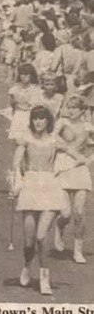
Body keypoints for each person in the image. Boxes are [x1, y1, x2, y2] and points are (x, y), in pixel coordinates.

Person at [11, 106, 86, 295]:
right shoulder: (25, 139)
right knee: (29, 242)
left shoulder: (55, 140)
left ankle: (45, 278)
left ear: (48, 122)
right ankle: (27, 266)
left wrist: (80, 160)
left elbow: (77, 155)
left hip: (50, 189)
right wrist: (16, 183)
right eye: (35, 119)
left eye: (42, 119)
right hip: (30, 187)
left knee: (41, 237)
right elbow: (16, 163)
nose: (38, 122)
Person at [53, 95, 94, 263]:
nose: (70, 111)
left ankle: (78, 250)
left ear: (83, 110)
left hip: (80, 169)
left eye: (74, 108)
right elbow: (53, 139)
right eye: (68, 107)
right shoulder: (61, 123)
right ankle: (58, 226)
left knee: (79, 213)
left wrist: (89, 159)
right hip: (62, 167)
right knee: (65, 213)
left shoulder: (88, 127)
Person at [8, 64, 42, 143]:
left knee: (29, 140)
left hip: (29, 115)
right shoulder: (15, 89)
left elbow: (34, 104)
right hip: (18, 116)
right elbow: (12, 104)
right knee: (18, 140)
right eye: (21, 74)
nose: (23, 76)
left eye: (27, 74)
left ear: (32, 75)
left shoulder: (35, 89)